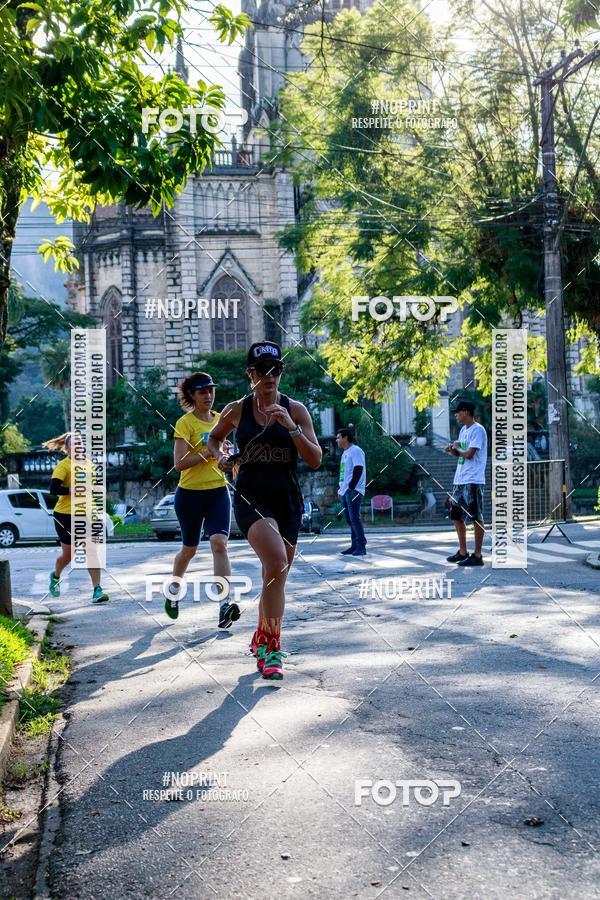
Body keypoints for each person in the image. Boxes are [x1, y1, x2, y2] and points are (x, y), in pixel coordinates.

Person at [207, 341, 322, 680]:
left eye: (276, 370)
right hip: (251, 497)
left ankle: (261, 636)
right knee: (276, 562)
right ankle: (271, 648)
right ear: (250, 374)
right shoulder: (236, 410)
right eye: (262, 371)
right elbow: (214, 439)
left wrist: (291, 427)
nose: (269, 377)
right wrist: (221, 456)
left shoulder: (296, 409)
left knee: (276, 577)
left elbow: (315, 460)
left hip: (287, 500)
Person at [166, 372, 238, 628]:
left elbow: (224, 455)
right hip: (189, 496)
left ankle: (224, 605)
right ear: (192, 396)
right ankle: (174, 588)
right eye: (202, 392)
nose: (208, 395)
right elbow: (179, 464)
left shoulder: (222, 420)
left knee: (219, 543)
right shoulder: (184, 424)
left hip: (218, 491)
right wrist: (209, 451)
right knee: (190, 550)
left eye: (210, 390)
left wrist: (226, 459)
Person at [45, 432, 109, 604]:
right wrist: (70, 491)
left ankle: (97, 590)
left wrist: (98, 490)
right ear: (67, 448)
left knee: (92, 550)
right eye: (75, 444)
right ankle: (56, 575)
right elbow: (53, 489)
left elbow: (90, 487)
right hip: (65, 515)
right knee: (69, 555)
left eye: (80, 443)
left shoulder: (89, 465)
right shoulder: (63, 466)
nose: (78, 446)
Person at [444, 399, 488, 566]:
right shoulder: (463, 430)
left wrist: (458, 450)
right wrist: (453, 450)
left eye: (458, 412)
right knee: (455, 515)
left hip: (473, 479)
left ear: (465, 412)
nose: (456, 415)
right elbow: (460, 455)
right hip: (460, 479)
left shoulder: (478, 430)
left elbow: (469, 454)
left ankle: (477, 555)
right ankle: (463, 552)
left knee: (476, 516)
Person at [336, 427, 367, 556]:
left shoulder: (356, 451)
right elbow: (343, 473)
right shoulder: (345, 453)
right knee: (349, 519)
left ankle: (361, 546)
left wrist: (351, 487)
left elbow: (358, 469)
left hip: (354, 490)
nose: (336, 440)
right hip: (345, 491)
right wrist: (340, 489)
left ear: (345, 438)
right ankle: (354, 546)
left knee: (354, 518)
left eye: (338, 437)